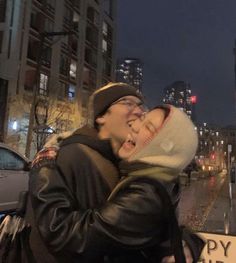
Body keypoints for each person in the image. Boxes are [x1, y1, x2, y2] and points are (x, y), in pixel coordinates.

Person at [29, 83, 202, 262]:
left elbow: (133, 232)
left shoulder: (134, 172)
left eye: (140, 107)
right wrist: (42, 166)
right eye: (127, 102)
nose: (137, 114)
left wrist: (183, 243)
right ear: (101, 116)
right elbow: (58, 236)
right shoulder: (75, 156)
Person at [111, 104, 205, 262]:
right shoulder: (160, 180)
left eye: (148, 127)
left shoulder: (145, 193)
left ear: (162, 147)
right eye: (142, 119)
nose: (134, 126)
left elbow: (78, 239)